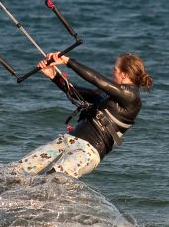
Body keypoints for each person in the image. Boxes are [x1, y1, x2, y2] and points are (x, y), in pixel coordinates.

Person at [15, 51, 153, 179]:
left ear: (124, 74)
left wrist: (67, 61)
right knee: (19, 169)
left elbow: (97, 79)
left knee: (51, 178)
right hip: (68, 140)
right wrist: (53, 75)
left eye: (115, 69)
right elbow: (79, 93)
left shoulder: (131, 96)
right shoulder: (110, 94)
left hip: (86, 152)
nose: (112, 72)